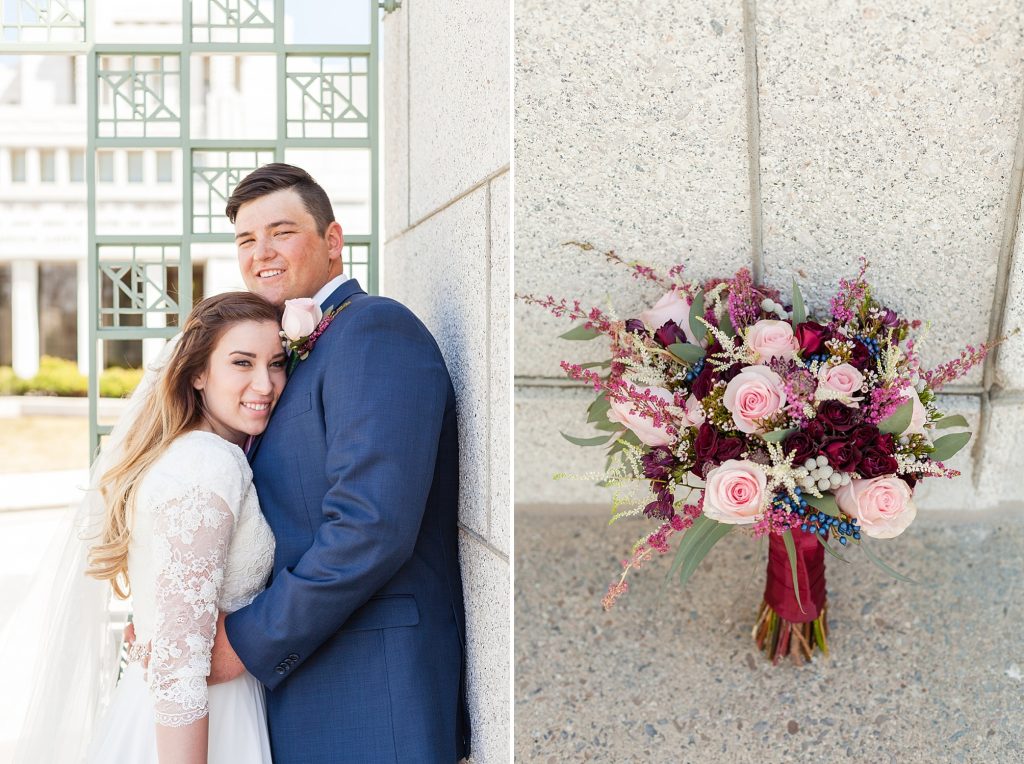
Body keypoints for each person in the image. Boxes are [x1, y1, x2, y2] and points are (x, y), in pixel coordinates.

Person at [210, 163, 471, 763]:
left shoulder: (374, 331)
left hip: (374, 689)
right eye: (246, 240)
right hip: (315, 681)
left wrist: (245, 642)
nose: (261, 252)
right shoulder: (294, 353)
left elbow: (369, 527)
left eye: (281, 231)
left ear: (333, 241)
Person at [17, 291, 287, 763]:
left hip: (197, 708)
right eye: (242, 363)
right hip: (198, 728)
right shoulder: (207, 462)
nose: (264, 384)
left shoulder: (189, 451)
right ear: (198, 373)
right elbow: (181, 663)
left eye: (277, 363)